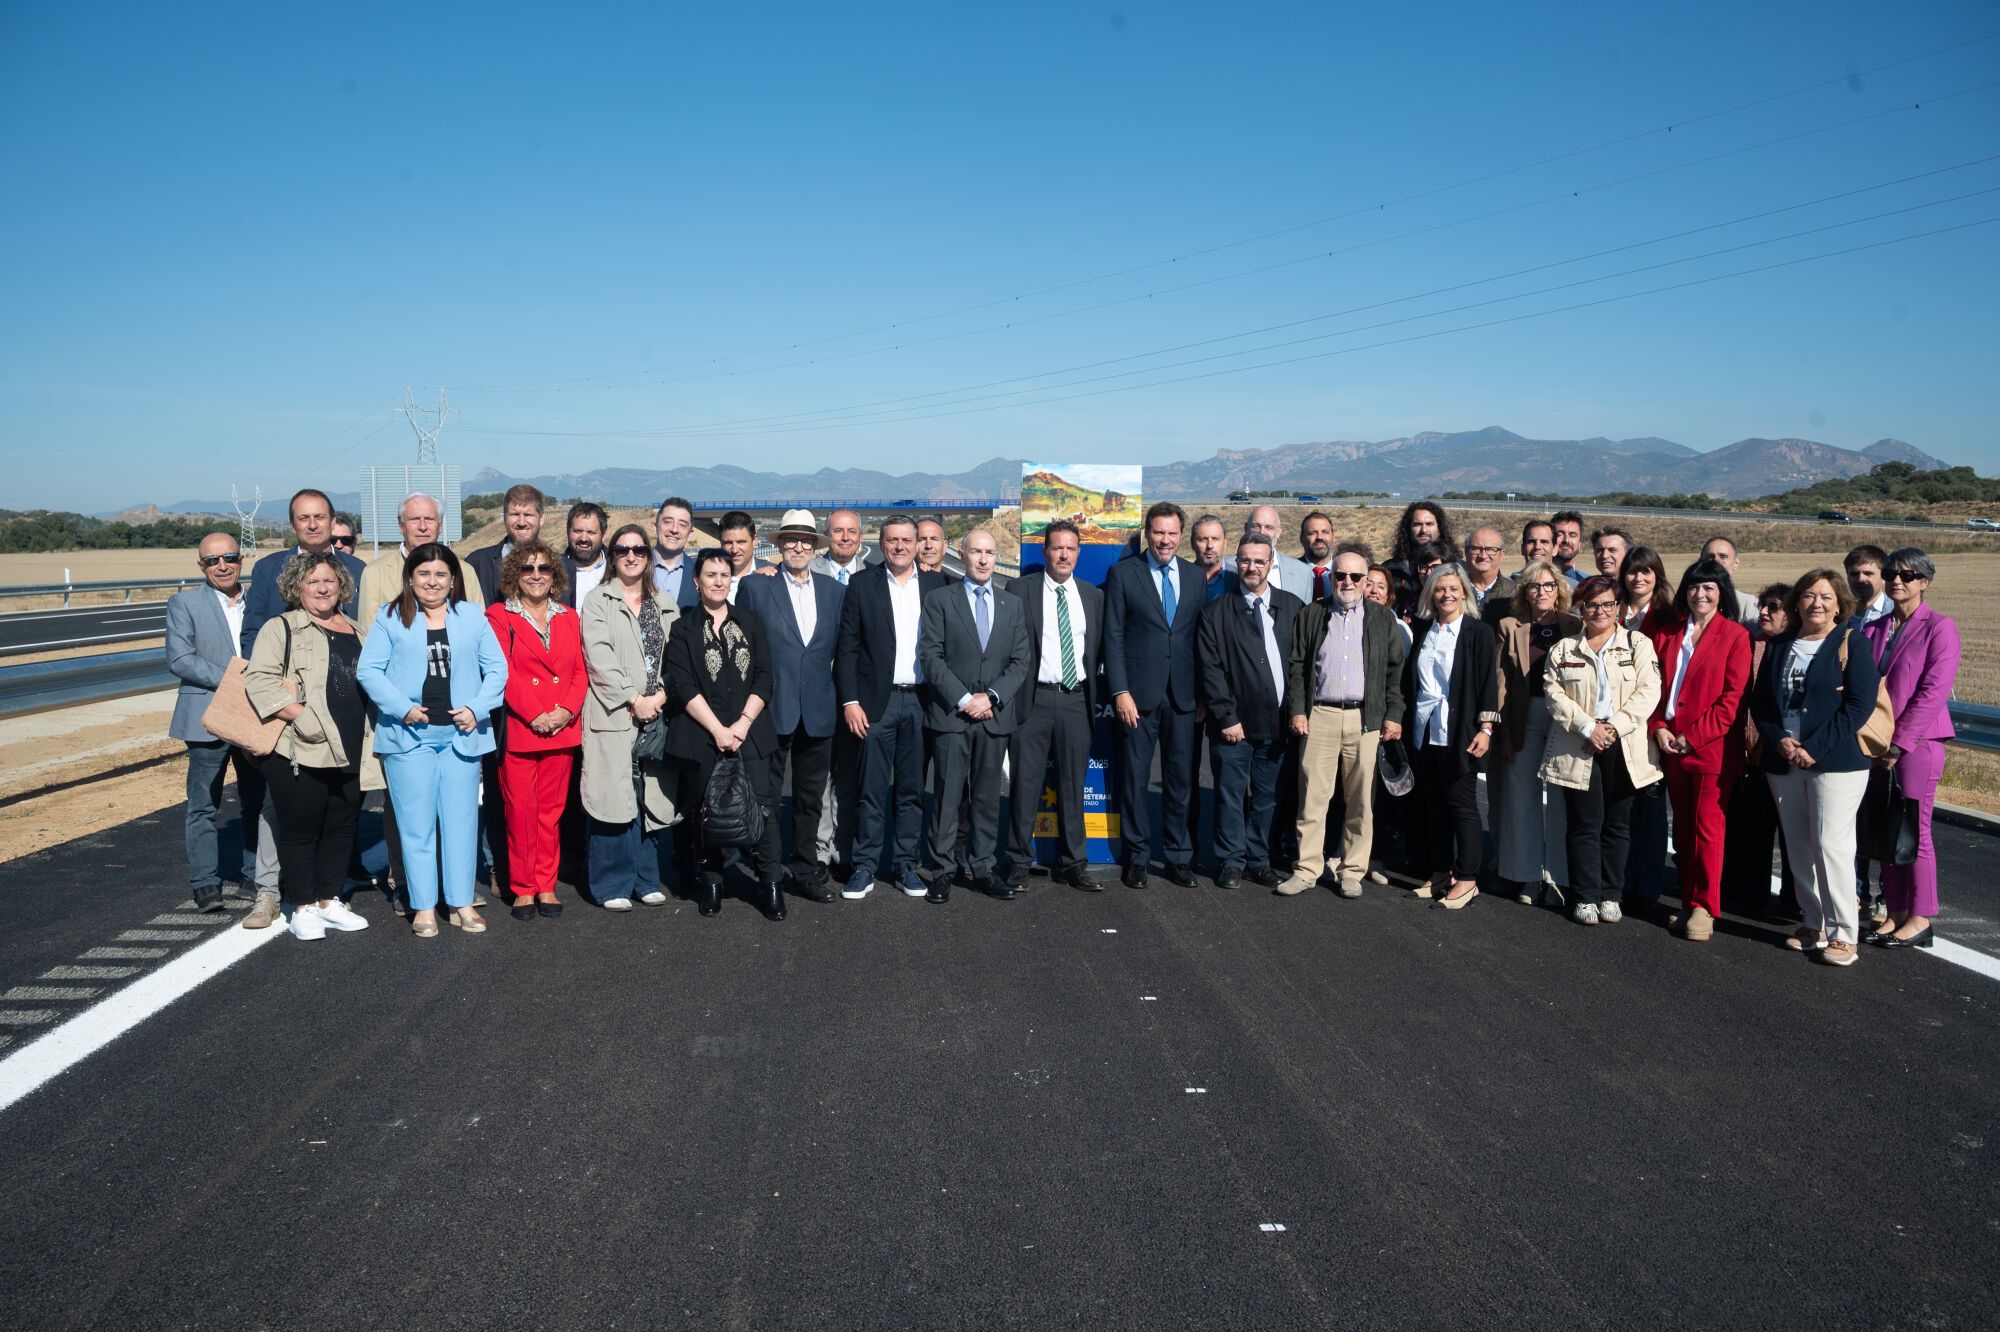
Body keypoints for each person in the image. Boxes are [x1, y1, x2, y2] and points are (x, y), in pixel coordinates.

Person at [357, 544, 507, 939]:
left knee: (461, 822)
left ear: (453, 580)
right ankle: (423, 904)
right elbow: (368, 671)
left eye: (440, 574)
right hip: (410, 737)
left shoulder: (472, 617)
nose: (432, 582)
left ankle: (460, 901)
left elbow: (497, 670)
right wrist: (401, 707)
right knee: (416, 824)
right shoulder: (390, 617)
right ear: (410, 579)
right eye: (424, 574)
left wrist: (477, 708)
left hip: (461, 734)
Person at [236, 488, 367, 929]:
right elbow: (257, 669)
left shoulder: (355, 625)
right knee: (297, 824)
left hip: (349, 740)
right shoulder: (281, 622)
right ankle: (299, 904)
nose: (323, 587)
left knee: (341, 823)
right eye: (313, 582)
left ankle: (330, 900)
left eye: (329, 581)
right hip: (300, 740)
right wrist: (296, 712)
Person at [1751, 569, 1881, 966]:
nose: (1816, 603)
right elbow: (1761, 704)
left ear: (1840, 604)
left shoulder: (1852, 644)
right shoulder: (1780, 645)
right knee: (1798, 844)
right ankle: (1812, 922)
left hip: (1836, 762)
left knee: (1832, 845)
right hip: (1784, 758)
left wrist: (1814, 748)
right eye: (1808, 596)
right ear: (1797, 602)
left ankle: (1844, 934)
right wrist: (1779, 740)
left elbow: (1858, 706)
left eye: (1825, 597)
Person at [665, 550, 786, 919]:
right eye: (710, 574)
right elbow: (682, 684)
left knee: (763, 811)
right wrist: (718, 729)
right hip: (703, 735)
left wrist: (741, 725)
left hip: (750, 732)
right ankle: (712, 881)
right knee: (707, 812)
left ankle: (770, 885)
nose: (718, 581)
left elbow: (765, 677)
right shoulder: (683, 628)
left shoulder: (749, 622)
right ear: (696, 581)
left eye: (724, 574)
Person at [1280, 546, 1406, 897]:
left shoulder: (1382, 619)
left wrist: (1394, 715)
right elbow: (1297, 666)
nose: (1347, 582)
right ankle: (1306, 869)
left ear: (1367, 581)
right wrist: (1297, 709)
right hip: (1320, 714)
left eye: (1355, 577)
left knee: (1360, 800)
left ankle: (1351, 871)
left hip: (1365, 719)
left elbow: (1395, 672)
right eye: (1340, 575)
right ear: (1331, 578)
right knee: (1313, 798)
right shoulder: (1312, 614)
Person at [836, 515, 951, 899]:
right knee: (870, 789)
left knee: (911, 790)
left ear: (919, 544)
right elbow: (848, 648)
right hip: (874, 705)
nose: (899, 546)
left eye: (906, 540)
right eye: (891, 540)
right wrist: (850, 701)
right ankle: (865, 865)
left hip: (921, 701)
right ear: (881, 543)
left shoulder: (939, 586)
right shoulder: (862, 584)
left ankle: (905, 864)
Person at [735, 509, 844, 903]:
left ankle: (805, 869)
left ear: (816, 546)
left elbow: (840, 652)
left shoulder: (834, 592)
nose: (798, 546)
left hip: (818, 710)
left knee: (809, 798)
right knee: (766, 797)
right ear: (778, 544)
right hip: (771, 709)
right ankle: (770, 870)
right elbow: (743, 651)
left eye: (806, 540)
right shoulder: (756, 587)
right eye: (790, 539)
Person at [1541, 575, 1663, 926]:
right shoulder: (1564, 650)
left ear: (1618, 607)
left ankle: (1611, 894)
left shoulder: (1638, 644)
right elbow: (1554, 695)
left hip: (1622, 743)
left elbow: (1648, 692)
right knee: (1583, 823)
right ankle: (1585, 896)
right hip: (1580, 742)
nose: (1600, 611)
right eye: (1591, 605)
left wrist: (1613, 727)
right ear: (1580, 609)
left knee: (1617, 824)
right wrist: (1588, 727)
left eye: (1607, 604)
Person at [919, 529, 1030, 901]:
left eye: (990, 553)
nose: (984, 559)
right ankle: (943, 869)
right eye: (976, 552)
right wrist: (965, 698)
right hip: (953, 715)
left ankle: (983, 866)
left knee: (986, 797)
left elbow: (1020, 661)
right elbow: (930, 657)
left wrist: (992, 697)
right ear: (962, 555)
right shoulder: (940, 600)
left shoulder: (1011, 604)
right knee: (948, 796)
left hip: (994, 716)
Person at [1648, 559, 1752, 942]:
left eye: (1709, 587)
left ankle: (1705, 907)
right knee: (1686, 830)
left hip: (1710, 748)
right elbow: (1653, 687)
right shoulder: (1669, 633)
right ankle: (1689, 900)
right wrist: (1658, 726)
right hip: (1671, 744)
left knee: (1708, 830)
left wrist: (1692, 736)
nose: (1701, 594)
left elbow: (1733, 700)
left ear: (1721, 591)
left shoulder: (1736, 636)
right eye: (1694, 587)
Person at [1104, 502, 1206, 889]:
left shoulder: (1195, 578)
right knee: (1134, 779)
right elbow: (1112, 638)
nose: (1165, 540)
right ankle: (1137, 857)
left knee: (1180, 781)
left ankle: (1179, 856)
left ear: (1182, 536)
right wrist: (1120, 691)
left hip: (1183, 698)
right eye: (1159, 532)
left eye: (1172, 533)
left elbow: (1201, 640)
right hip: (1138, 697)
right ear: (1148, 533)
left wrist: (1202, 696)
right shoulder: (1123, 574)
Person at [1862, 548, 1960, 950]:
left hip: (1918, 744)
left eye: (1907, 574)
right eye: (1890, 574)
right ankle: (1896, 913)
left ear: (1925, 582)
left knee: (1914, 830)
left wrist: (1900, 743)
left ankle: (1921, 917)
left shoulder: (1940, 627)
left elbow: (1933, 691)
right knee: (1887, 829)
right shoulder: (1875, 627)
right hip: (1876, 743)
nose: (1896, 580)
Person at [580, 523, 680, 910]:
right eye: (622, 550)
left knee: (650, 797)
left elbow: (678, 657)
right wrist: (633, 698)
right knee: (612, 798)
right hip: (615, 713)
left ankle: (646, 877)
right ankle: (611, 884)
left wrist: (662, 696)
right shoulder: (598, 601)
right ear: (613, 555)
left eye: (639, 549)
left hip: (658, 711)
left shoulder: (665, 602)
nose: (631, 556)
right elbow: (598, 657)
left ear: (649, 555)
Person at [485, 540, 585, 922]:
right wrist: (535, 714)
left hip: (562, 729)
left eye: (544, 568)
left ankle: (547, 883)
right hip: (523, 730)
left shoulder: (569, 618)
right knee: (520, 812)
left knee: (552, 811)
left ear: (555, 575)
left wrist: (565, 711)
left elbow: (579, 671)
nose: (537, 575)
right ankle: (523, 887)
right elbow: (502, 670)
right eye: (527, 569)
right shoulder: (498, 616)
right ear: (515, 575)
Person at [1195, 536, 1301, 890]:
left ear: (1271, 564)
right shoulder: (1216, 613)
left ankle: (1259, 859)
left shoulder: (1293, 608)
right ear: (1235, 563)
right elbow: (1210, 669)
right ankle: (1230, 861)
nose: (1252, 567)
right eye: (1244, 561)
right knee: (1230, 795)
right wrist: (1226, 717)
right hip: (1234, 727)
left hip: (1278, 726)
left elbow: (1302, 667)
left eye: (1259, 561)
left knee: (1266, 799)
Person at [1002, 520, 1103, 891]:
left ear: (1079, 553)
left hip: (1076, 700)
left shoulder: (1093, 597)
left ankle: (1073, 863)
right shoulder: (1020, 589)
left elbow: (1099, 652)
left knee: (1072, 785)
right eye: (1057, 547)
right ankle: (1016, 860)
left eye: (1070, 548)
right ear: (1045, 550)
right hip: (1034, 700)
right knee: (1025, 784)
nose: (1063, 555)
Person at [1401, 562, 1497, 909]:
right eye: (1440, 589)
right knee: (1433, 805)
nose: (1447, 595)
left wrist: (1486, 729)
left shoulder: (1478, 632)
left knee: (1462, 805)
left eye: (1454, 589)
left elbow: (1489, 684)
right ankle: (1440, 872)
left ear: (1465, 593)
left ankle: (1468, 879)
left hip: (1461, 731)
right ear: (1431, 593)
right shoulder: (1424, 629)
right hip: (1424, 729)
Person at [165, 532, 251, 912]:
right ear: (201, 566)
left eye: (229, 557)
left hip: (255, 716)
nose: (222, 565)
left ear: (240, 560)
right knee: (203, 804)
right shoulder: (184, 603)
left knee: (257, 798)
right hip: (206, 715)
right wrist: (234, 679)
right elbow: (180, 659)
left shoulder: (260, 601)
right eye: (212, 560)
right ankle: (205, 883)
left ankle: (254, 873)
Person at [1490, 561, 1579, 907]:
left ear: (1559, 590)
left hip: (1563, 720)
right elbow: (1501, 683)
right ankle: (1526, 876)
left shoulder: (1575, 625)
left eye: (1547, 586)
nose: (1540, 592)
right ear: (1524, 591)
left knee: (1560, 801)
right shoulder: (1508, 626)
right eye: (1533, 586)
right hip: (1521, 717)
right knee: (1520, 799)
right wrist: (1503, 731)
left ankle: (1556, 878)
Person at [1721, 585, 1800, 917]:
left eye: (1774, 607)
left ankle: (1796, 901)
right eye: (1761, 606)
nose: (1764, 612)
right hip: (1749, 754)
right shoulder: (1749, 645)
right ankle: (1748, 895)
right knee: (1750, 830)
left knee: (1793, 834)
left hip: (1785, 752)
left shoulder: (1797, 650)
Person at [466, 484, 544, 610]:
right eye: (514, 514)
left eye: (528, 515)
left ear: (541, 519)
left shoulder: (561, 566)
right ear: (504, 518)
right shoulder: (477, 563)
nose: (521, 522)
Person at [1228, 506, 1314, 599]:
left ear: (1279, 531)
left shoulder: (1303, 572)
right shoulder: (1225, 568)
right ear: (1246, 528)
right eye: (1256, 526)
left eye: (1269, 527)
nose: (1262, 532)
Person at [650, 496, 702, 611]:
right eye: (668, 522)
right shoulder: (634, 567)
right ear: (655, 527)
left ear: (691, 534)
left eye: (682, 525)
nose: (674, 529)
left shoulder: (700, 573)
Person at [1699, 536, 1761, 628]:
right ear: (1700, 562)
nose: (1716, 561)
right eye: (1709, 557)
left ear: (1735, 564)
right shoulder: (1691, 602)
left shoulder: (1749, 605)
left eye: (1723, 557)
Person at [562, 501, 610, 607]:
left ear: (604, 535)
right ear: (567, 532)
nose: (583, 538)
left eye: (591, 532)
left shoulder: (617, 571)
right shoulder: (553, 571)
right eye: (578, 531)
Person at [1463, 526, 1514, 618]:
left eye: (1490, 549)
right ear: (1466, 552)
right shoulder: (1453, 590)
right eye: (1476, 548)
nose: (1483, 555)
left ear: (1501, 554)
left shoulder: (1514, 593)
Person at [1617, 546, 1672, 632]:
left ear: (1657, 576)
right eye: (1632, 572)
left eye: (1645, 572)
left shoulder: (1669, 616)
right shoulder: (1611, 611)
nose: (1638, 578)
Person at [811, 508, 870, 585]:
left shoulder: (875, 574)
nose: (845, 538)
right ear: (826, 535)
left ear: (860, 537)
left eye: (852, 531)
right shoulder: (808, 571)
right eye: (838, 531)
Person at [1845, 544, 1892, 627]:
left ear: (1884, 576)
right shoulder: (1840, 614)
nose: (1860, 579)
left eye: (1868, 573)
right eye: (1854, 574)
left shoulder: (1897, 615)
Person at [717, 510, 759, 601]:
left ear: (755, 540)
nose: (735, 550)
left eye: (741, 542)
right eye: (728, 543)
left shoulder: (774, 574)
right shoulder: (707, 578)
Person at [1190, 514, 1232, 601]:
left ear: (1225, 542)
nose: (1210, 545)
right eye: (1203, 539)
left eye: (1215, 539)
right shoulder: (1180, 579)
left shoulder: (1239, 578)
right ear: (1192, 543)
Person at [1299, 512, 1337, 600]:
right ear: (1302, 538)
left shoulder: (1346, 573)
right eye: (1312, 533)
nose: (1319, 537)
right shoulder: (1289, 572)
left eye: (1325, 532)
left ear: (1332, 536)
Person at [1549, 510, 1585, 584]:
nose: (1566, 540)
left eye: (1572, 535)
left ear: (1580, 543)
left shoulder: (1587, 585)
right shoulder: (1530, 580)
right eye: (1560, 534)